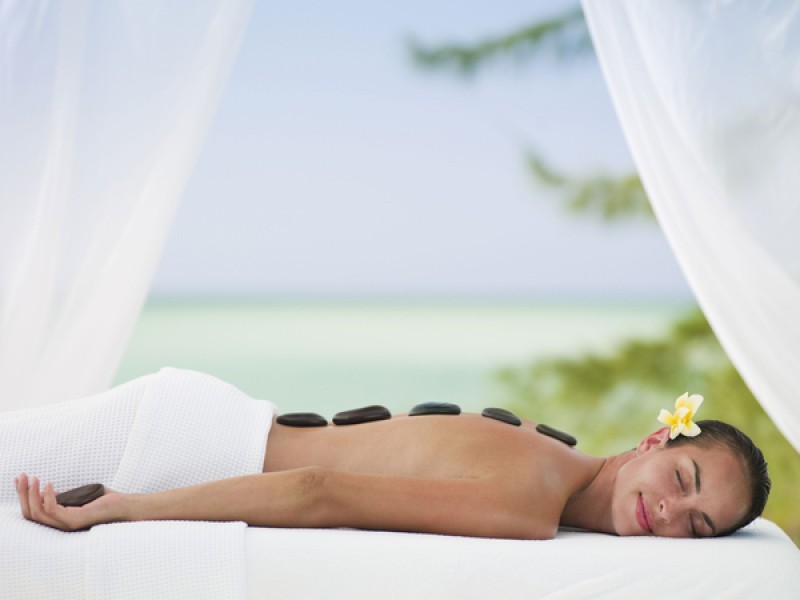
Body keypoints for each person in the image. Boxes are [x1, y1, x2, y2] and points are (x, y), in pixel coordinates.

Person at [14, 388, 770, 540]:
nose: (670, 513)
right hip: (189, 447)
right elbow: (320, 490)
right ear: (653, 441)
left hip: (209, 415)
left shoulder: (555, 449)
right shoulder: (530, 502)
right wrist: (120, 505)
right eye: (682, 480)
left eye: (698, 529)